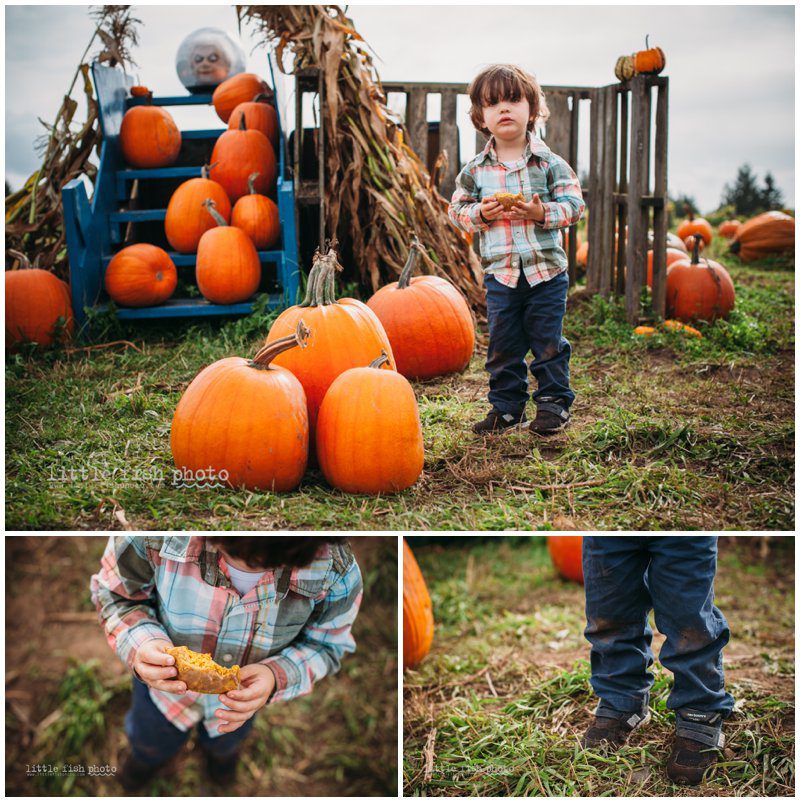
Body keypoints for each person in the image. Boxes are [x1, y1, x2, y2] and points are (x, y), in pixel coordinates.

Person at [90, 536, 362, 790]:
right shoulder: (152, 538)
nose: (248, 565)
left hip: (236, 707)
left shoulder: (335, 573)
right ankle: (145, 760)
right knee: (149, 738)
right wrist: (142, 642)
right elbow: (116, 595)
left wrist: (274, 675)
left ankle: (220, 762)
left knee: (226, 742)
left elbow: (325, 645)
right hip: (161, 695)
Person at [448, 64, 584, 436]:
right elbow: (456, 211)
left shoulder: (549, 163)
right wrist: (480, 213)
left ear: (532, 108)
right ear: (481, 116)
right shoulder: (475, 171)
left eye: (512, 100)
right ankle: (507, 408)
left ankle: (554, 403)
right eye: (492, 104)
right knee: (504, 346)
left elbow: (575, 205)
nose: (503, 109)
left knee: (547, 342)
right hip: (501, 275)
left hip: (546, 273)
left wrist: (542, 212)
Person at [581, 536, 735, 786]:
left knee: (688, 618)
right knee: (608, 612)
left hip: (684, 537)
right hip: (607, 537)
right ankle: (621, 699)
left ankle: (698, 709)